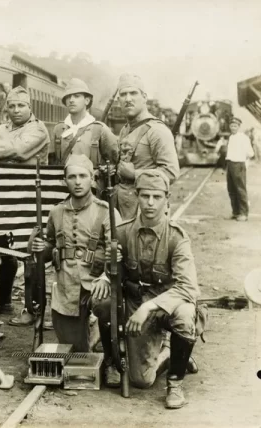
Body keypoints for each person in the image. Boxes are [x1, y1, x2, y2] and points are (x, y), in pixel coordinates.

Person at [91, 169, 203, 409]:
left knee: (185, 315)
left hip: (167, 304)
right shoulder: (122, 232)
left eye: (157, 197)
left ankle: (175, 383)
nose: (150, 203)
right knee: (141, 380)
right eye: (145, 196)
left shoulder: (176, 237)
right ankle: (164, 355)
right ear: (137, 196)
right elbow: (117, 277)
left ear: (166, 199)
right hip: (135, 301)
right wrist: (110, 269)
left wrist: (148, 307)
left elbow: (187, 287)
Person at [30, 155, 122, 380]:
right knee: (78, 356)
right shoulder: (56, 212)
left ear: (93, 179)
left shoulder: (106, 211)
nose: (78, 182)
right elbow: (50, 245)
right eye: (72, 177)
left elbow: (120, 252)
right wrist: (39, 247)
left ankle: (111, 361)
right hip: (67, 285)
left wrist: (106, 278)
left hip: (97, 282)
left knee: (106, 307)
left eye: (83, 176)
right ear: (65, 181)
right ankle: (91, 334)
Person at [0, 85, 50, 327]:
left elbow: (19, 151)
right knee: (3, 249)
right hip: (4, 195)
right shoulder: (1, 128)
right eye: (12, 106)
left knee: (30, 253)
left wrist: (0, 150)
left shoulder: (38, 129)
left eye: (21, 105)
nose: (16, 110)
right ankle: (3, 299)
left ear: (30, 107)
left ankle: (33, 308)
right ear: (6, 108)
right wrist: (7, 151)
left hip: (29, 198)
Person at [114, 74, 179, 220]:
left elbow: (171, 172)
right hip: (124, 209)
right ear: (119, 100)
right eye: (123, 94)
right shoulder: (125, 130)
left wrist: (135, 174)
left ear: (144, 97)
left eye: (133, 93)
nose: (128, 99)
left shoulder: (157, 130)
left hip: (147, 210)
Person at [51, 78, 118, 194]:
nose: (71, 100)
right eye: (68, 97)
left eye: (76, 96)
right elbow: (52, 163)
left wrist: (107, 169)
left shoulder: (100, 129)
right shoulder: (59, 129)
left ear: (87, 100)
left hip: (92, 193)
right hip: (63, 190)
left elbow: (114, 162)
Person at [223, 117, 254, 221]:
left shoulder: (244, 138)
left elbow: (250, 153)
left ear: (239, 127)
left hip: (238, 164)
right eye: (231, 126)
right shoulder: (231, 137)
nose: (233, 128)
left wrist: (243, 162)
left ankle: (244, 213)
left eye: (235, 126)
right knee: (231, 189)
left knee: (240, 189)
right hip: (230, 164)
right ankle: (236, 212)